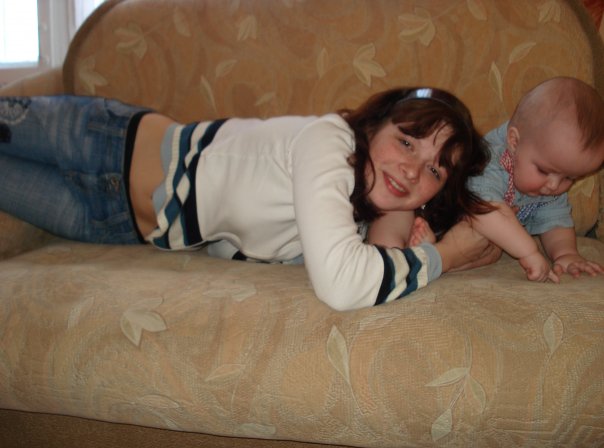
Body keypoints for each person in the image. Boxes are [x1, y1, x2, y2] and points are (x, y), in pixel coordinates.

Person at [0, 87, 497, 311]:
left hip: (113, 224)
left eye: (435, 169)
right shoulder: (330, 141)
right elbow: (342, 286)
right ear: (373, 127)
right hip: (103, 141)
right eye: (406, 142)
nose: (412, 169)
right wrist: (444, 256)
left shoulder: (341, 223)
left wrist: (406, 228)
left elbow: (368, 269)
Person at [465, 77, 604, 282]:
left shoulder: (546, 168)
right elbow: (483, 210)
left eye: (569, 178)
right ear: (514, 142)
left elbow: (555, 218)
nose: (554, 186)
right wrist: (528, 251)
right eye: (543, 171)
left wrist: (566, 254)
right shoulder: (487, 160)